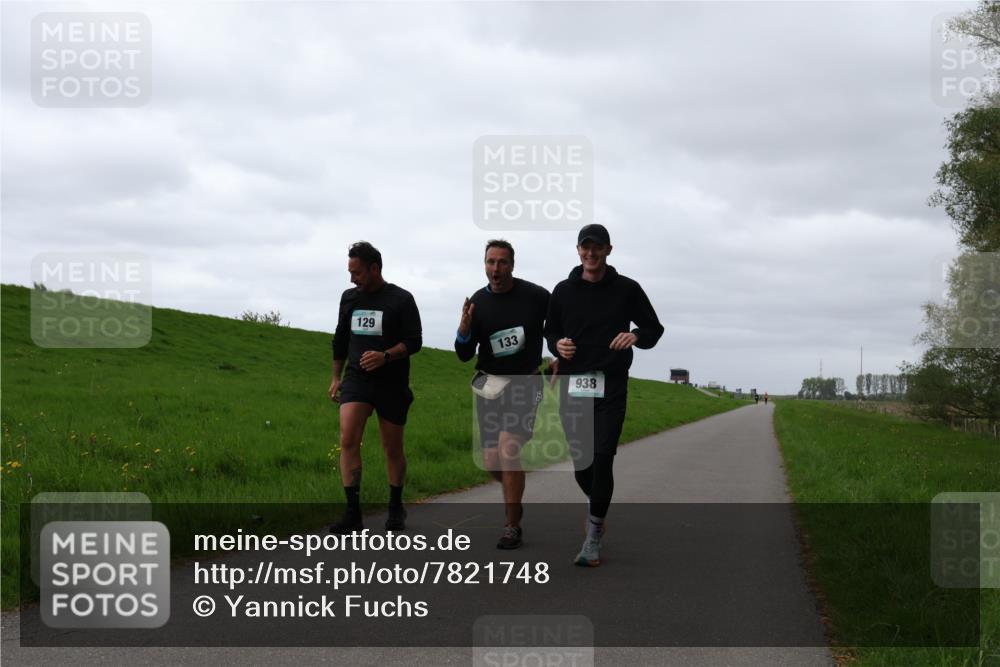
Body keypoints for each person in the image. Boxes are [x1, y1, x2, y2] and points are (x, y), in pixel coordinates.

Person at [545, 224, 664, 567]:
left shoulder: (627, 289)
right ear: (578, 250)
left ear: (609, 250)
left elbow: (654, 328)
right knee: (583, 465)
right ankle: (599, 505)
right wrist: (557, 343)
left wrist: (636, 336)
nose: (591, 253)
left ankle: (593, 536)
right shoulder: (563, 290)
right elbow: (550, 329)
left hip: (610, 385)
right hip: (573, 384)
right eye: (586, 248)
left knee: (603, 457)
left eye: (597, 248)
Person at [455, 240, 550, 549]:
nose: (496, 269)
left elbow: (564, 322)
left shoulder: (535, 296)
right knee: (491, 459)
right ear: (485, 264)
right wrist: (464, 330)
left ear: (512, 264)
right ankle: (515, 495)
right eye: (490, 262)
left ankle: (512, 525)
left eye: (502, 262)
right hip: (489, 383)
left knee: (509, 449)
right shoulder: (478, 303)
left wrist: (560, 355)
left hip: (526, 382)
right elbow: (463, 354)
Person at [328, 241, 422, 533]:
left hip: (391, 381)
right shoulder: (349, 298)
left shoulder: (401, 299)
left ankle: (395, 507)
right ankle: (352, 513)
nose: (352, 278)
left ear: (374, 268)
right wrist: (335, 376)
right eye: (349, 272)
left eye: (356, 272)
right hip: (357, 379)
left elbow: (414, 341)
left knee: (391, 448)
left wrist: (385, 356)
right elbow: (340, 338)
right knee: (347, 439)